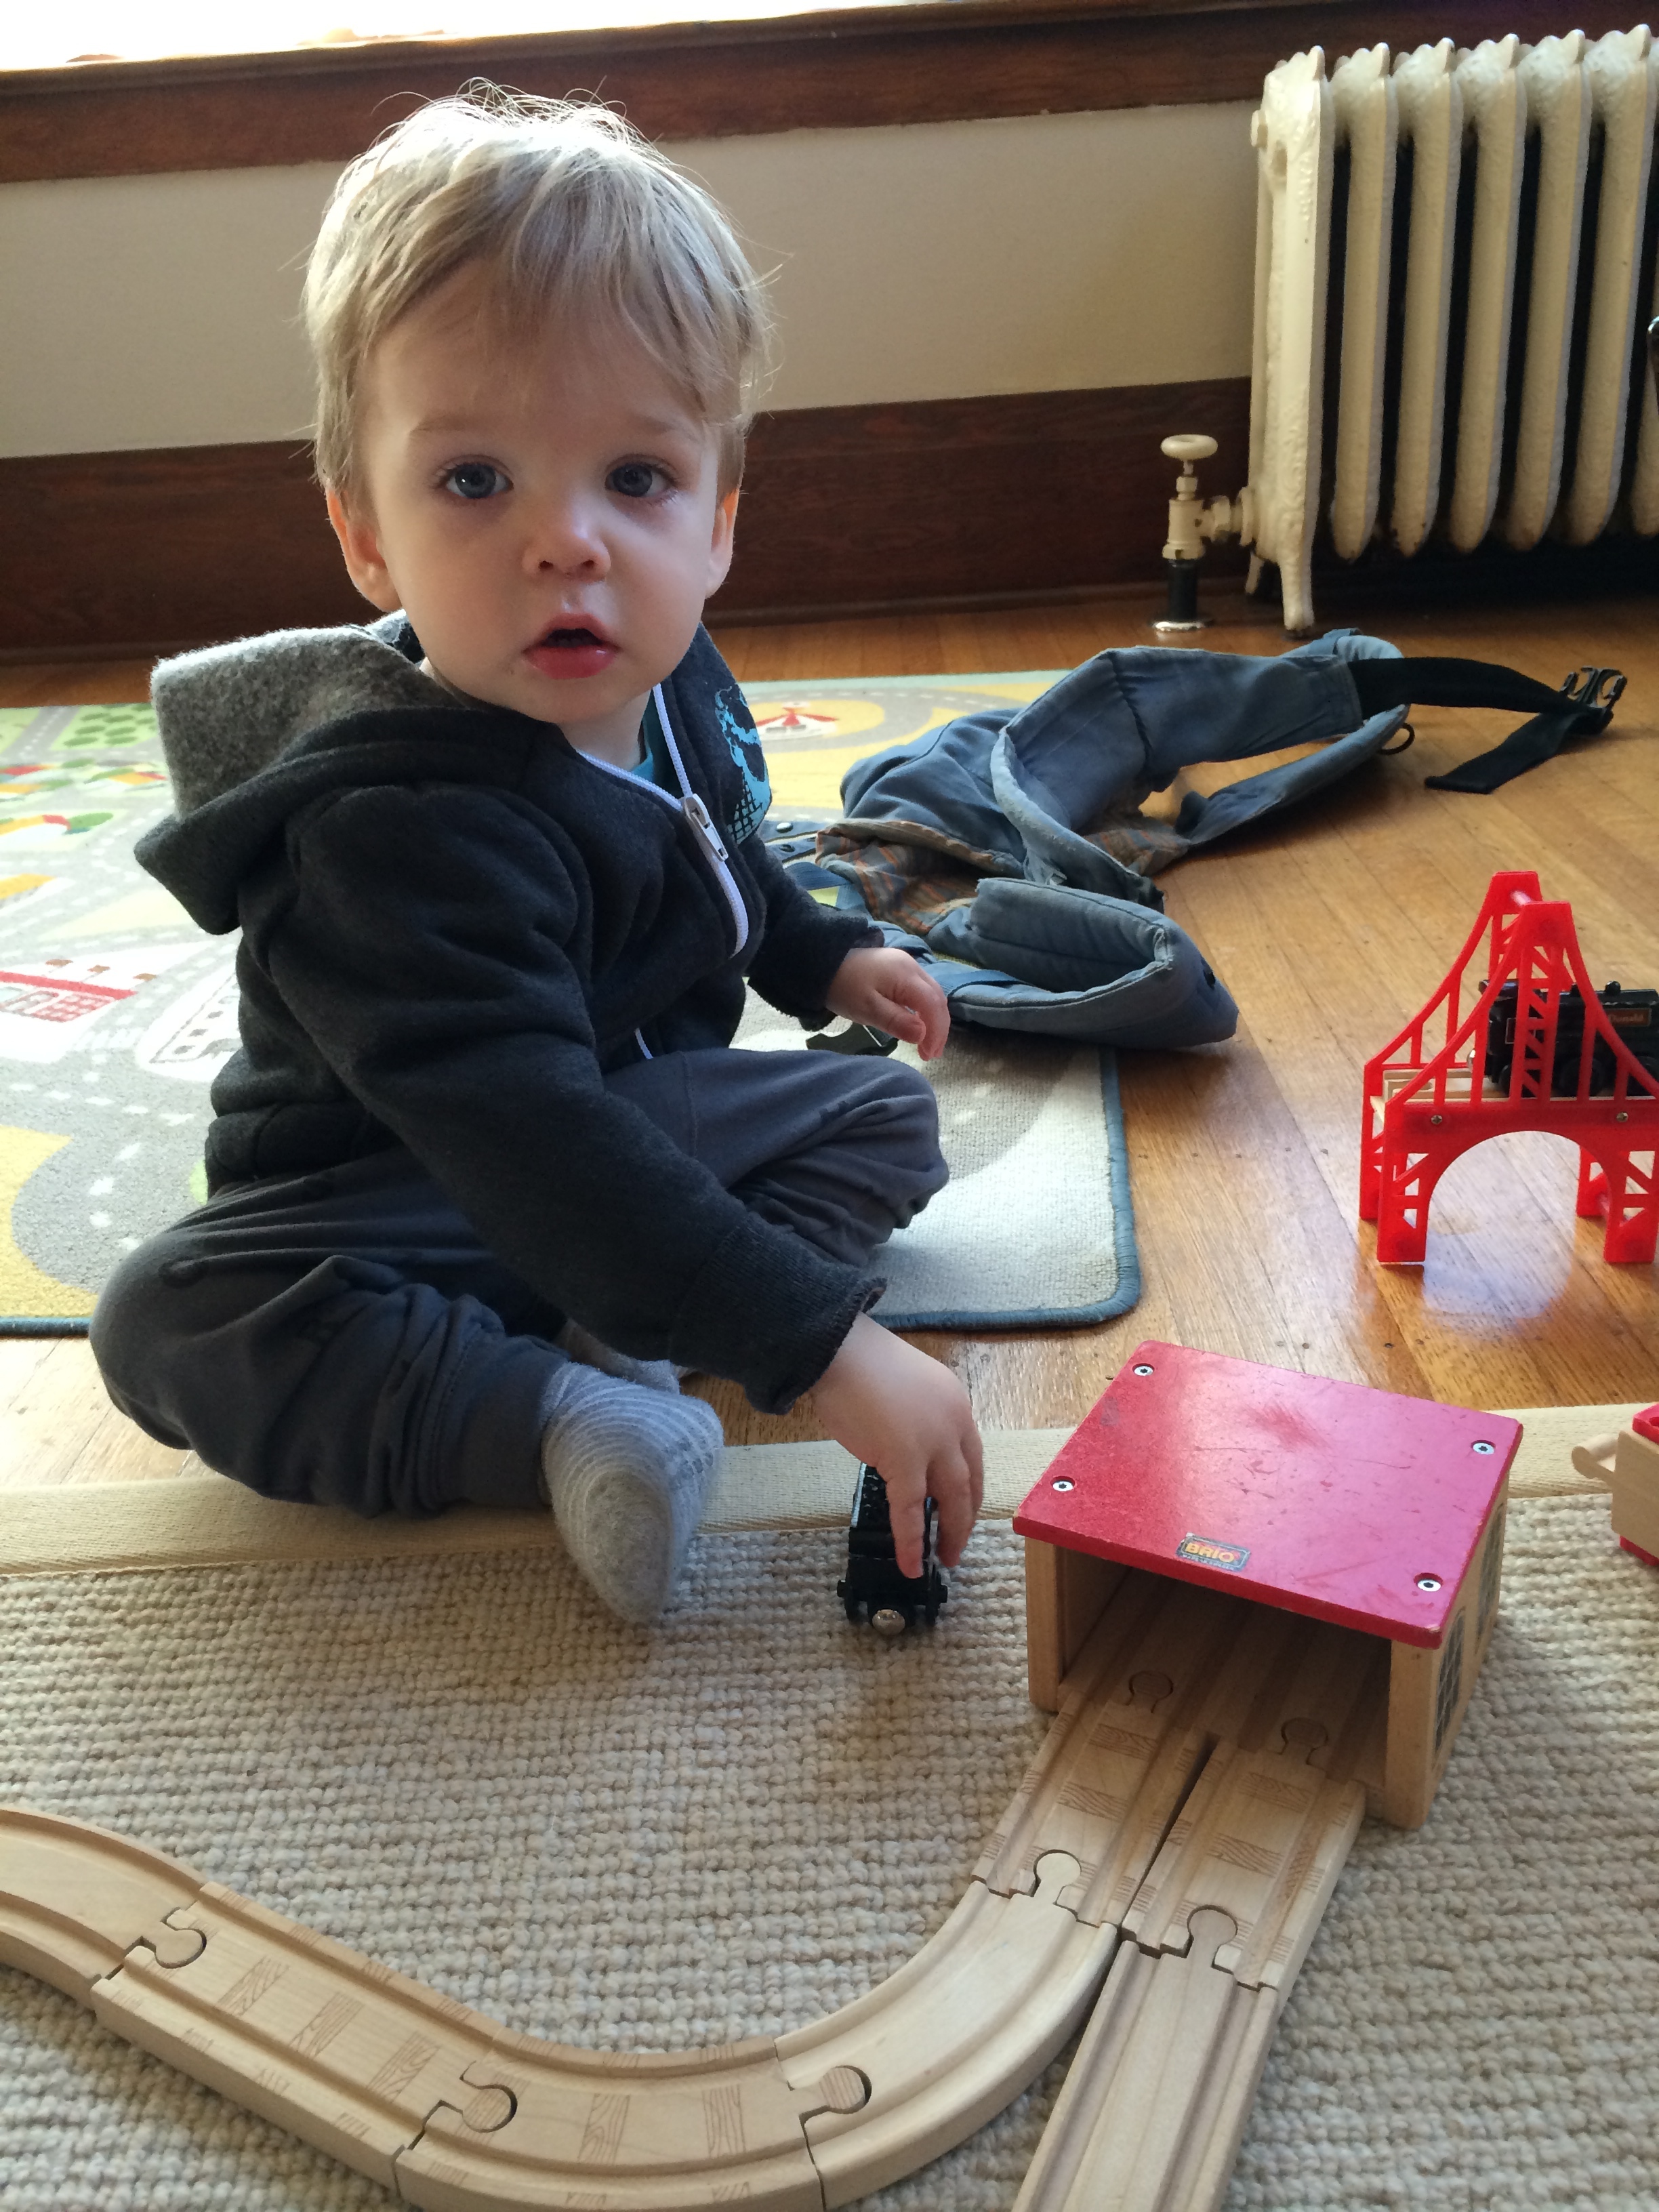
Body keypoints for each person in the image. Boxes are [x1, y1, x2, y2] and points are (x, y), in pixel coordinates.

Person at [90, 90, 984, 1623]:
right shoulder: (385, 831)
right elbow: (526, 1135)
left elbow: (725, 841)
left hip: (618, 1119)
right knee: (168, 1322)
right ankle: (567, 1412)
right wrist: (820, 1344)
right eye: (475, 480)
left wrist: (819, 948)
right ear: (366, 535)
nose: (570, 541)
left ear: (715, 526)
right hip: (401, 1188)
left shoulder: (669, 669)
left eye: (636, 479)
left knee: (884, 1118)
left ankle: (623, 1310)